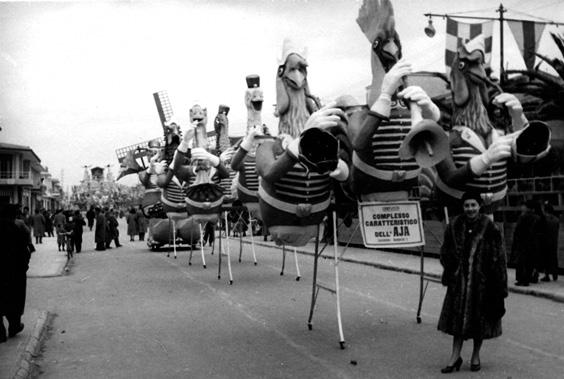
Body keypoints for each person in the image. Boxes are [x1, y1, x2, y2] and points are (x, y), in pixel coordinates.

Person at [438, 192, 508, 373]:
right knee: (456, 323)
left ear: (479, 206)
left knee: (480, 323)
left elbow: (499, 257)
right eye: (467, 205)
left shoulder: (490, 228)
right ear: (463, 207)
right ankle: (454, 357)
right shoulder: (454, 226)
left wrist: (499, 284)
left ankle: (476, 356)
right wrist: (451, 269)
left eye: (473, 205)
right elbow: (445, 251)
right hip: (459, 284)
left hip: (483, 284)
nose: (470, 209)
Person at [0, 204, 34, 342]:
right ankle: (14, 325)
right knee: (15, 298)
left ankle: (1, 332)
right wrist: (24, 266)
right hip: (15, 272)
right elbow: (26, 249)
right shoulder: (17, 228)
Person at [512, 200, 540, 286]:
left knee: (522, 262)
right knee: (530, 261)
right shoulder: (537, 217)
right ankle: (529, 278)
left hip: (523, 242)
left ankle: (522, 279)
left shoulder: (523, 217)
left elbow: (517, 231)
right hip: (533, 242)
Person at [538, 202, 560, 282]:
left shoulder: (544, 219)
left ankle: (547, 275)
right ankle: (555, 275)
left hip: (545, 241)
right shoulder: (556, 220)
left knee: (546, 259)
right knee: (554, 258)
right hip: (554, 241)